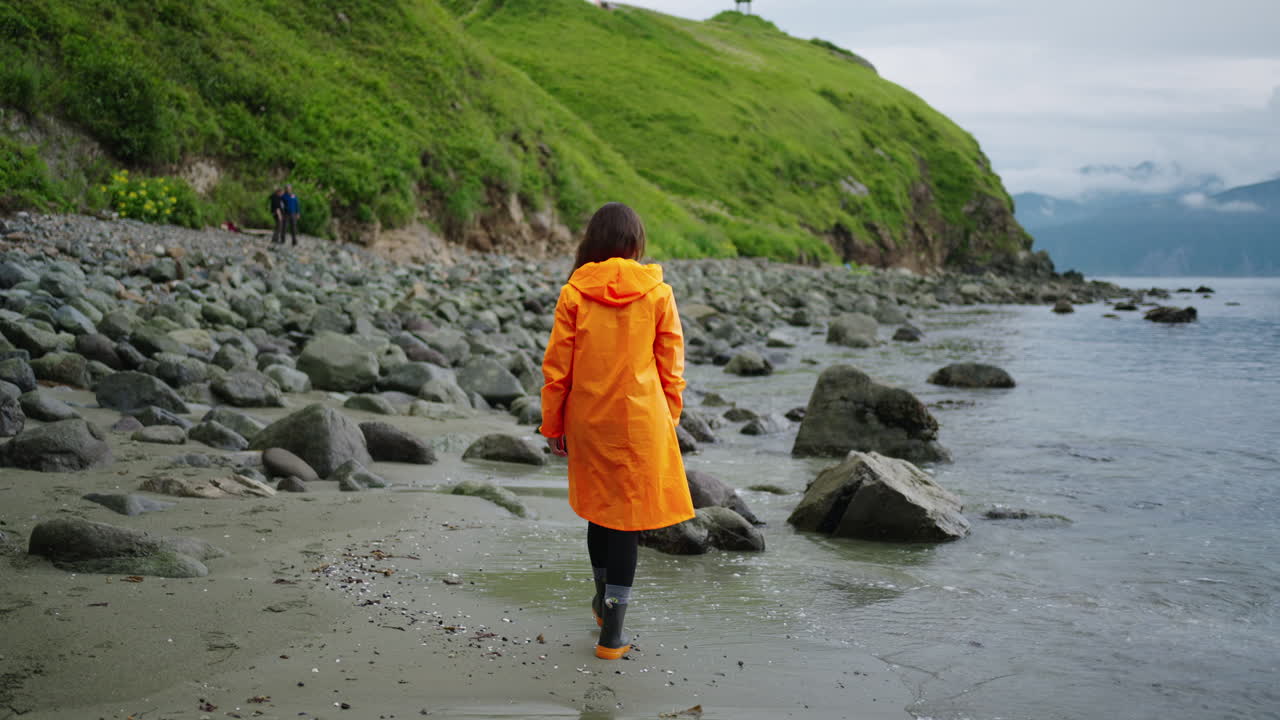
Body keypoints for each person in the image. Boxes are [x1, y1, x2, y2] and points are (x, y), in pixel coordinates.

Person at [539, 202, 694, 660]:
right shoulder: (658, 293)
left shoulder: (574, 293)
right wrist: (669, 417)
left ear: (594, 241)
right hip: (642, 420)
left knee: (598, 510)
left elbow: (557, 370)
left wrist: (553, 423)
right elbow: (672, 364)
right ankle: (613, 634)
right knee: (625, 521)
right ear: (635, 243)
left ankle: (603, 607)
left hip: (589, 419)